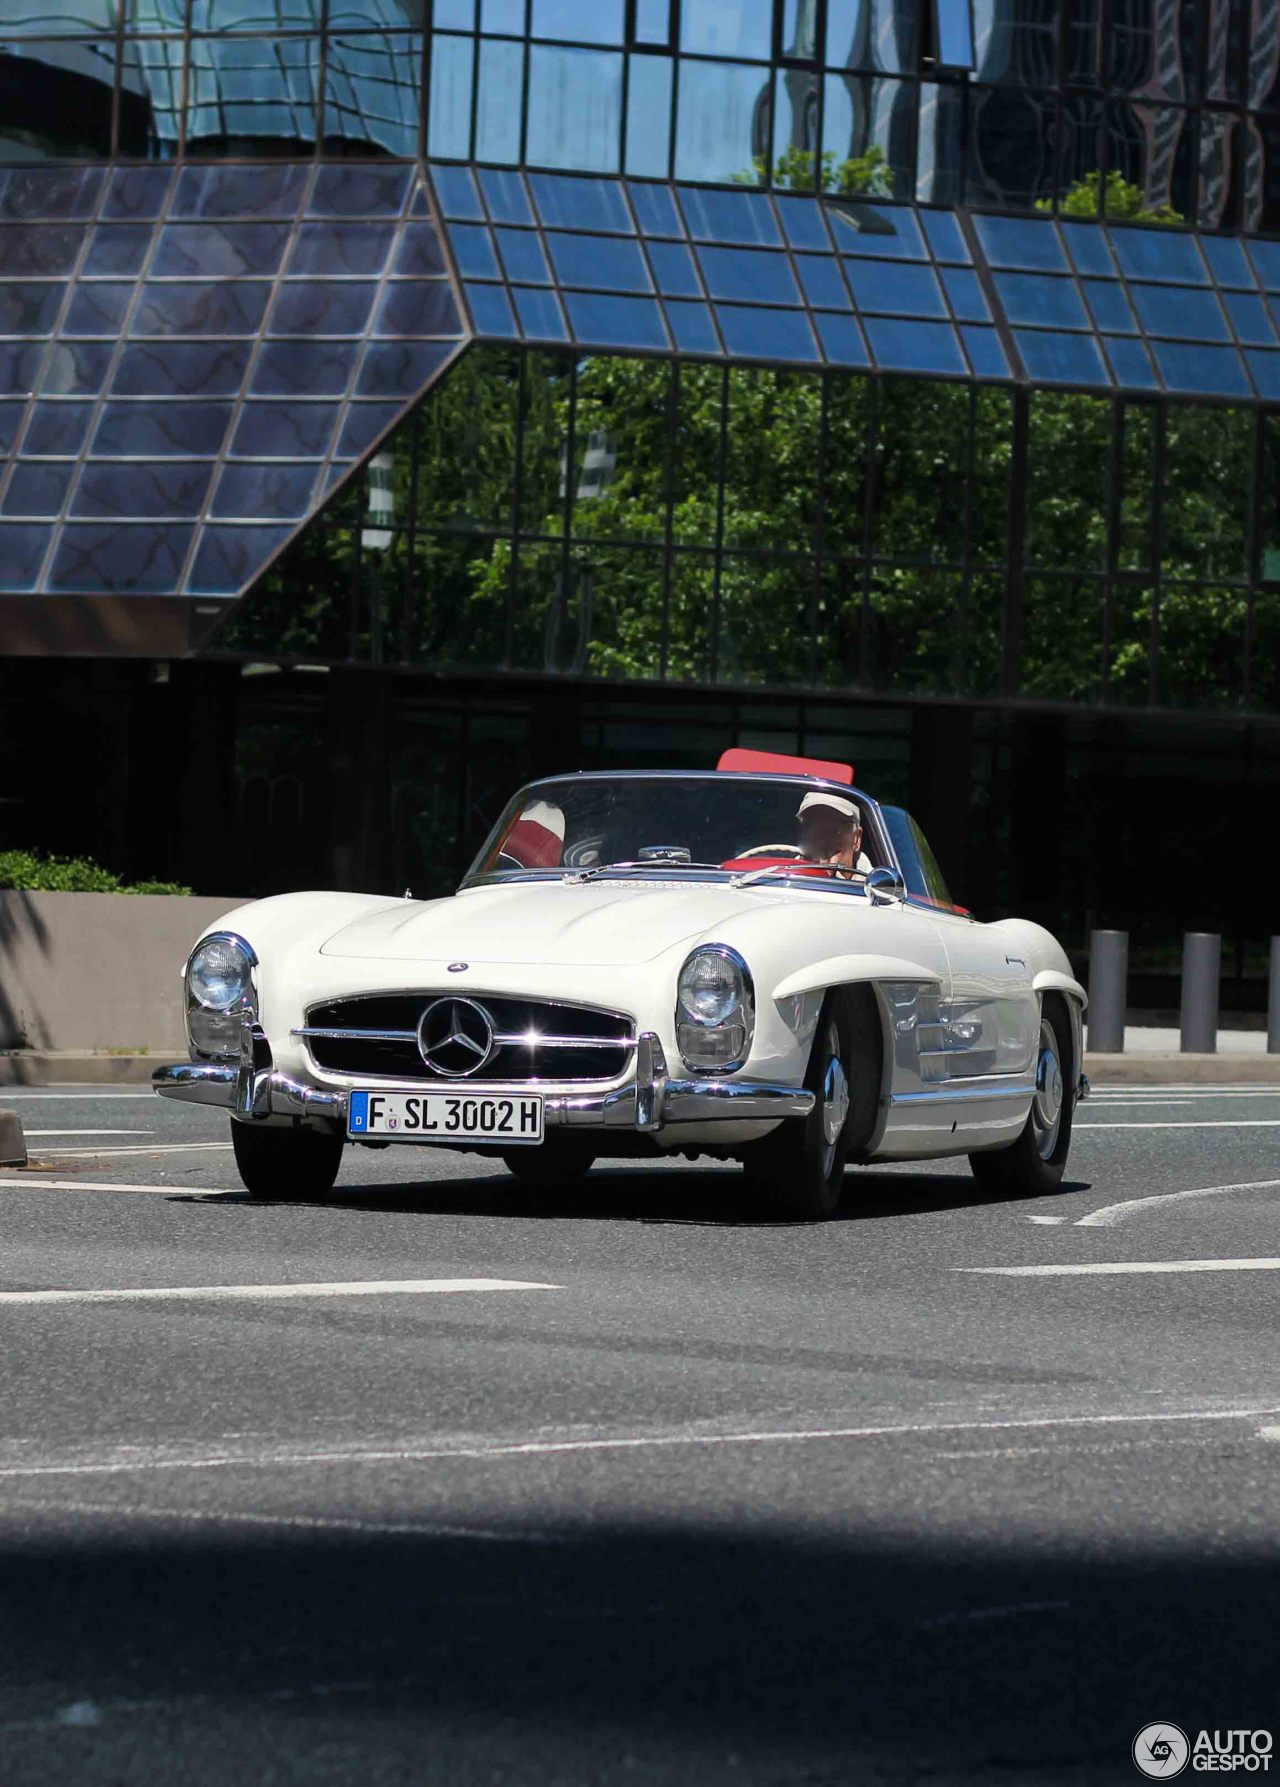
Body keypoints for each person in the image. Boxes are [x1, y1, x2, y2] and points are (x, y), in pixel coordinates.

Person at [796, 791, 872, 877]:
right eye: (813, 825)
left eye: (835, 827)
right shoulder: (782, 878)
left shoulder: (878, 887)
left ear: (856, 838)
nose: (823, 836)